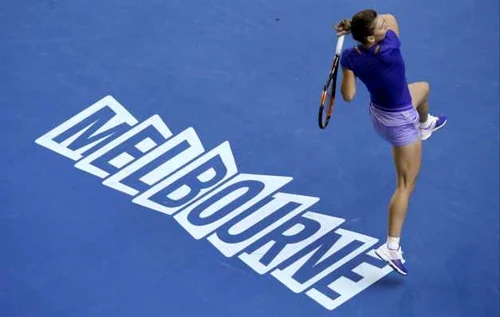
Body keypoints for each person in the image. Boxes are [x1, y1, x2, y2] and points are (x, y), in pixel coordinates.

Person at [334, 9, 447, 276]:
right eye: (379, 26)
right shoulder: (390, 49)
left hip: (379, 115)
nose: (385, 24)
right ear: (372, 38)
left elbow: (348, 95)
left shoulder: (352, 57)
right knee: (405, 185)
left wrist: (346, 66)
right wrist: (352, 27)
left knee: (423, 88)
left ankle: (425, 122)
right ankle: (391, 247)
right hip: (399, 123)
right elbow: (394, 16)